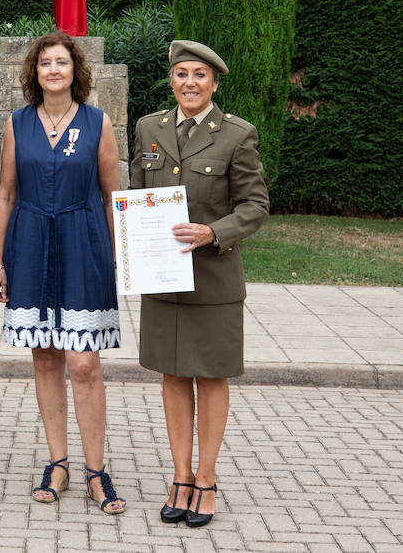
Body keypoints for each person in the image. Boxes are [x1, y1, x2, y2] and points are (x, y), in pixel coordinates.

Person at [132, 40, 269, 528]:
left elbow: (255, 206)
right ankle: (180, 476)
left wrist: (214, 232)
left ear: (214, 83)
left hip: (212, 278)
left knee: (210, 376)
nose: (189, 83)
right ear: (171, 80)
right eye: (181, 74)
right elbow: (137, 193)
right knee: (172, 374)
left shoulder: (236, 135)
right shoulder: (149, 128)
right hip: (163, 276)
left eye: (199, 76)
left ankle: (207, 479)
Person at [0, 31, 126, 513]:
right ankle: (58, 463)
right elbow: (6, 194)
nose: (53, 70)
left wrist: (118, 259)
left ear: (75, 71)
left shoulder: (97, 122)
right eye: (45, 63)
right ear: (35, 72)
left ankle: (96, 470)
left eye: (61, 62)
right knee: (45, 356)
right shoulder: (16, 123)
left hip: (82, 243)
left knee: (83, 362)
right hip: (29, 244)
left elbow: (112, 196)